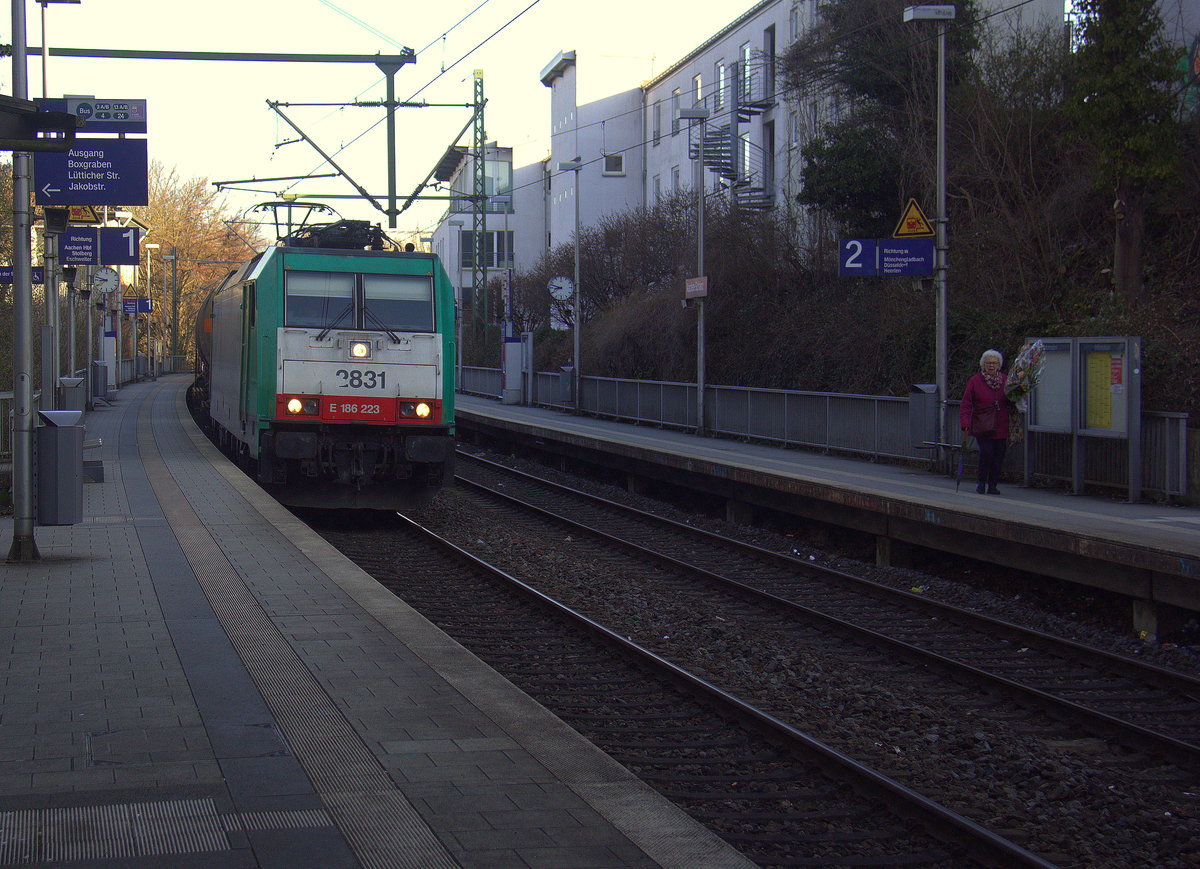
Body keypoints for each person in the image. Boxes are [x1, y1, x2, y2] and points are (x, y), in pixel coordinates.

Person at [960, 349, 1012, 494]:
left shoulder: (1006, 381)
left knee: (999, 455)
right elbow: (966, 403)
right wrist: (965, 422)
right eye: (988, 363)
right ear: (983, 365)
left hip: (1000, 424)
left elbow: (1012, 400)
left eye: (994, 363)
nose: (991, 366)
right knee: (987, 453)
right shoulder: (975, 381)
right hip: (982, 424)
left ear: (999, 365)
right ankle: (982, 482)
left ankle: (993, 484)